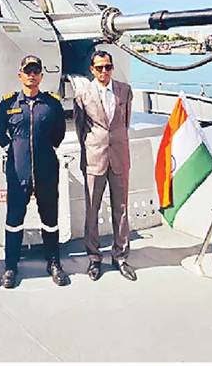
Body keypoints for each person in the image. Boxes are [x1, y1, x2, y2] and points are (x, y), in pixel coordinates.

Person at [0, 55, 69, 288]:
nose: (32, 75)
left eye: (36, 71)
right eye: (28, 71)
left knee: (50, 219)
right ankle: (11, 266)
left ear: (41, 76)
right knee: (14, 219)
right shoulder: (8, 104)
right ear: (20, 75)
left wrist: (43, 150)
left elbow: (59, 133)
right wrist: (14, 151)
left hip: (46, 170)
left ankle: (54, 262)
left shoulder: (52, 104)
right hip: (19, 172)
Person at [73, 49, 137, 282]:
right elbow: (81, 128)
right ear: (92, 69)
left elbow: (124, 122)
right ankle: (94, 257)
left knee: (122, 208)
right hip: (94, 157)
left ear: (112, 68)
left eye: (107, 67)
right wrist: (93, 147)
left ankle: (120, 256)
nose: (104, 71)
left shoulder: (124, 90)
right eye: (99, 68)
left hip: (119, 155)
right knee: (92, 208)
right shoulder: (82, 94)